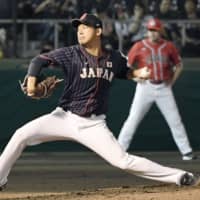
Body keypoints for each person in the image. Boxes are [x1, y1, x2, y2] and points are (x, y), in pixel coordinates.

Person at [0, 14, 199, 191]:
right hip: (63, 117)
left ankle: (179, 176)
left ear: (98, 31)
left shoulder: (113, 58)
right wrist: (33, 84)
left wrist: (138, 73)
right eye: (78, 29)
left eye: (85, 27)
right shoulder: (71, 53)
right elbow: (38, 60)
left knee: (123, 161)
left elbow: (125, 72)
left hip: (93, 124)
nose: (80, 31)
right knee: (21, 135)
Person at [118, 18, 197, 161]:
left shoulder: (169, 46)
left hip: (163, 88)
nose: (152, 33)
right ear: (147, 31)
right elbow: (126, 66)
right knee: (133, 119)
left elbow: (179, 65)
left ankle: (186, 152)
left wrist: (171, 82)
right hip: (145, 87)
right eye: (150, 30)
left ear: (160, 31)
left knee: (175, 120)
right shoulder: (139, 46)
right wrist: (135, 77)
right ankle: (118, 151)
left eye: (155, 30)